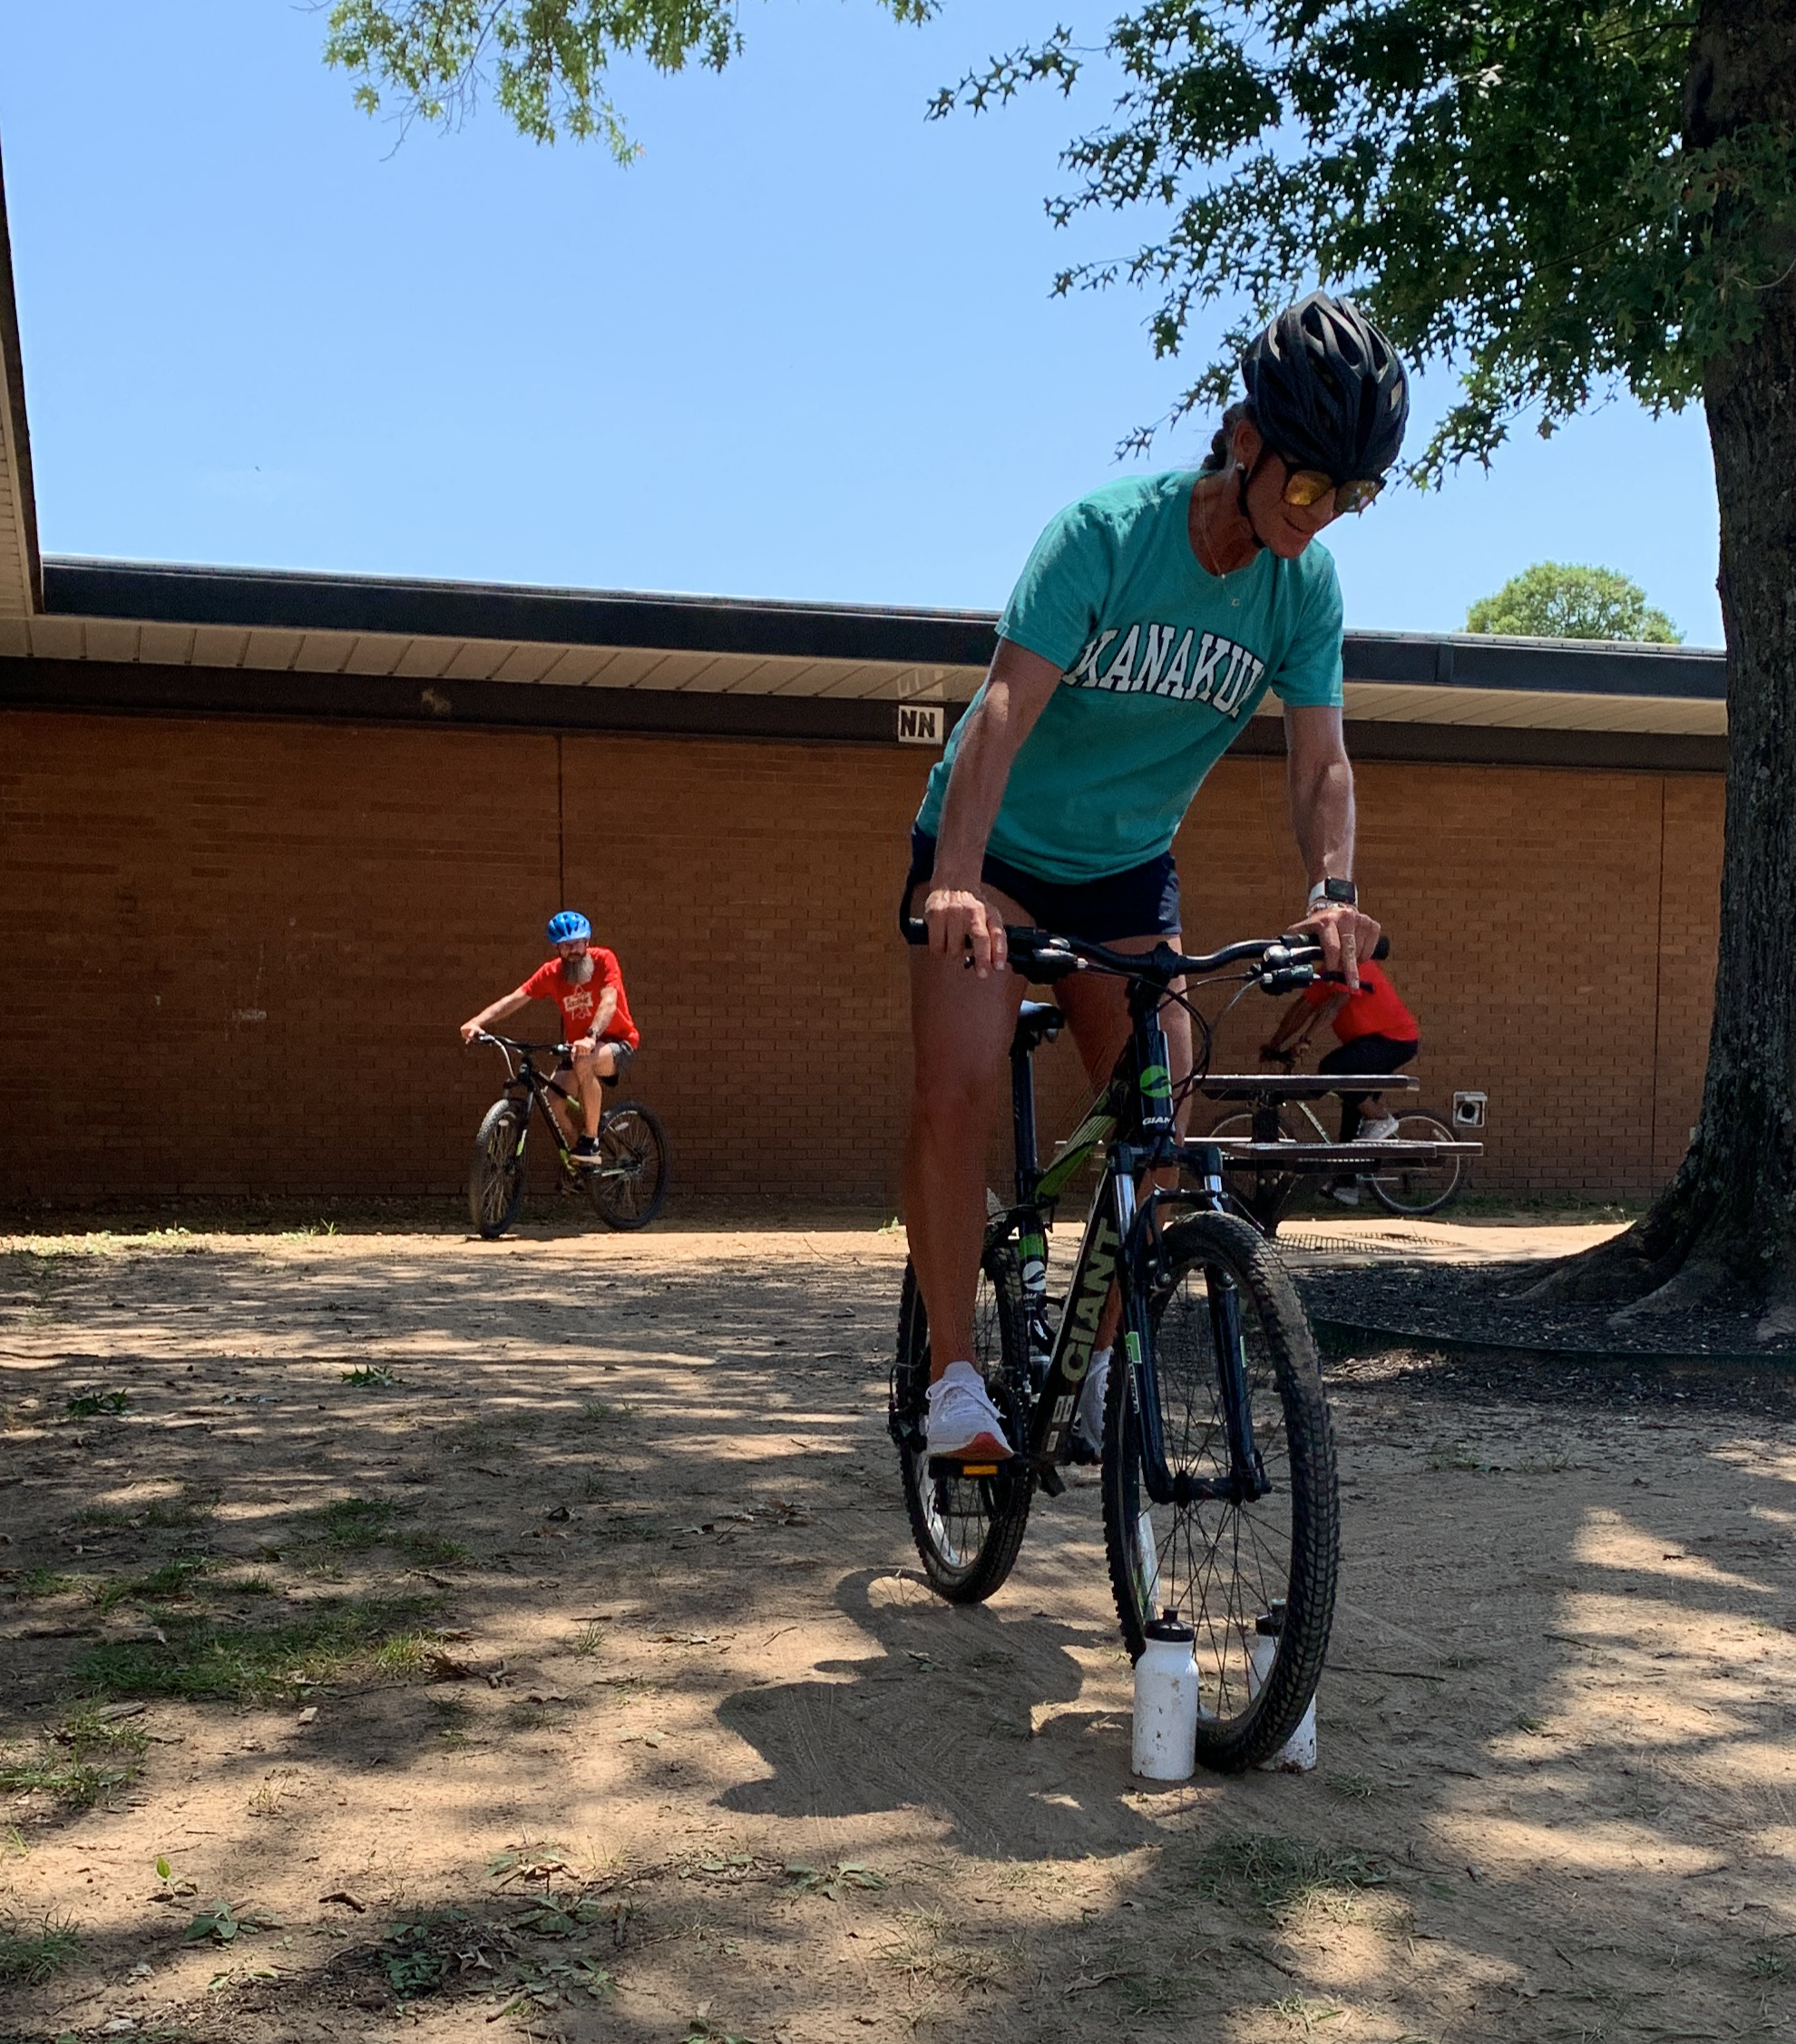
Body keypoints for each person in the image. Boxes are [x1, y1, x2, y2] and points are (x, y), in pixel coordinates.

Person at [903, 291, 1407, 1462]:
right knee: (959, 1085)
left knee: (1166, 1133)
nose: (1321, 513)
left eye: (1351, 495)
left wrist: (1332, 888)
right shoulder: (1104, 538)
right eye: (1306, 486)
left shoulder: (1303, 590)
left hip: (1126, 872)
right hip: (998, 857)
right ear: (1243, 439)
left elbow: (1321, 760)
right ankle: (953, 1378)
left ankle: (1089, 1371)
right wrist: (958, 881)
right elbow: (1002, 712)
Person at [460, 912, 640, 1165]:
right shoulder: (551, 973)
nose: (574, 950)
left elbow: (609, 1002)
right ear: (557, 948)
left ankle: (591, 1141)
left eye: (578, 942)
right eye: (566, 945)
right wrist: (477, 1022)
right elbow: (514, 999)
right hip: (577, 1048)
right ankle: (579, 1160)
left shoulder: (604, 960)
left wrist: (591, 1036)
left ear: (587, 941)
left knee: (585, 1061)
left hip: (617, 1041)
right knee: (553, 1101)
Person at [1259, 956, 1420, 1205]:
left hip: (1394, 1039)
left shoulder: (1354, 966)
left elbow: (1334, 1004)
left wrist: (1306, 1041)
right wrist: (1275, 1044)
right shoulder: (1328, 973)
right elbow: (1302, 1008)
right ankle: (1346, 1185)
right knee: (1350, 1107)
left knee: (1332, 1067)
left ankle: (1379, 1118)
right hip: (1370, 1043)